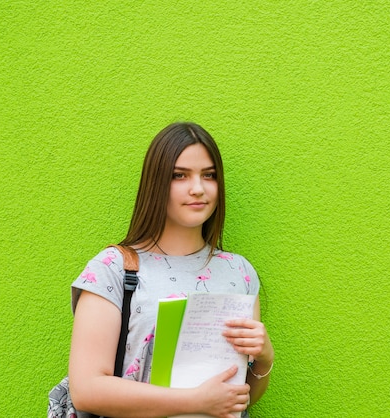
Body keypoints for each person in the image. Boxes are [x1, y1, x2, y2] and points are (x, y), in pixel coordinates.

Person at [68, 122, 274, 418]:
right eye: (180, 175)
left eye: (209, 175)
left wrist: (264, 359)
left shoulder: (239, 272)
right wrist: (196, 401)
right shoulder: (112, 268)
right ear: (156, 182)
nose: (198, 189)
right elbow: (87, 389)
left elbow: (241, 397)